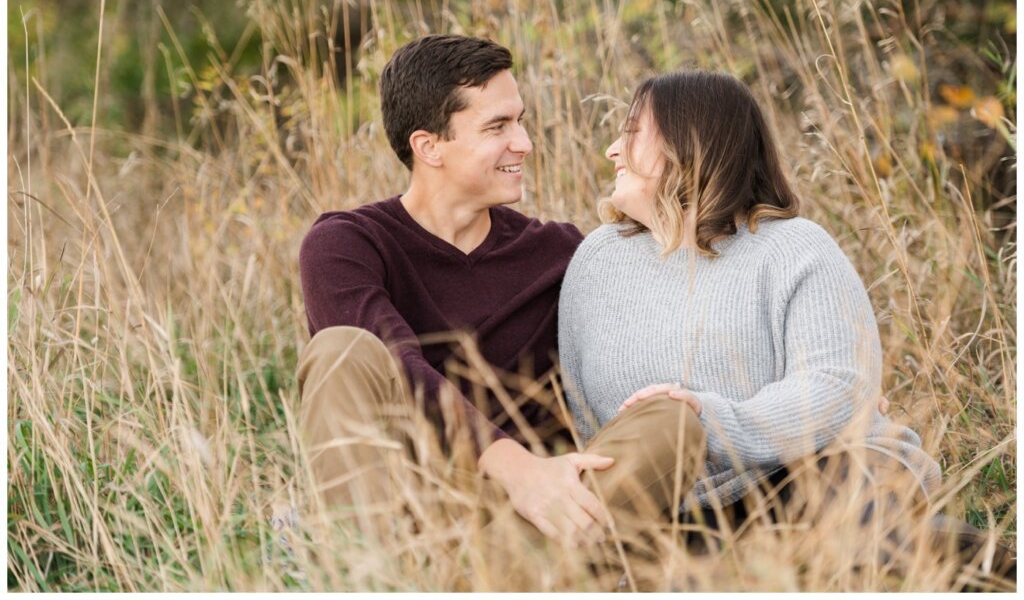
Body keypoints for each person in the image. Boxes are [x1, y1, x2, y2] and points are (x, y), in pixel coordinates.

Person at [558, 69, 1015, 587]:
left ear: (692, 143)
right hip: (687, 514)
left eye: (632, 131)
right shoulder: (596, 261)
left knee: (848, 538)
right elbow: (590, 423)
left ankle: (966, 567)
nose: (611, 149)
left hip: (818, 468)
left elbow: (837, 386)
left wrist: (710, 421)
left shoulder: (793, 247)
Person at [296, 35, 704, 561]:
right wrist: (516, 468)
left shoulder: (559, 251)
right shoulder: (347, 243)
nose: (525, 143)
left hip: (536, 515)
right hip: (407, 508)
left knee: (672, 420)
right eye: (498, 127)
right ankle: (386, 578)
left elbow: (637, 352)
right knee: (341, 350)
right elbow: (400, 363)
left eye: (521, 120)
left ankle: (488, 576)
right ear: (429, 146)